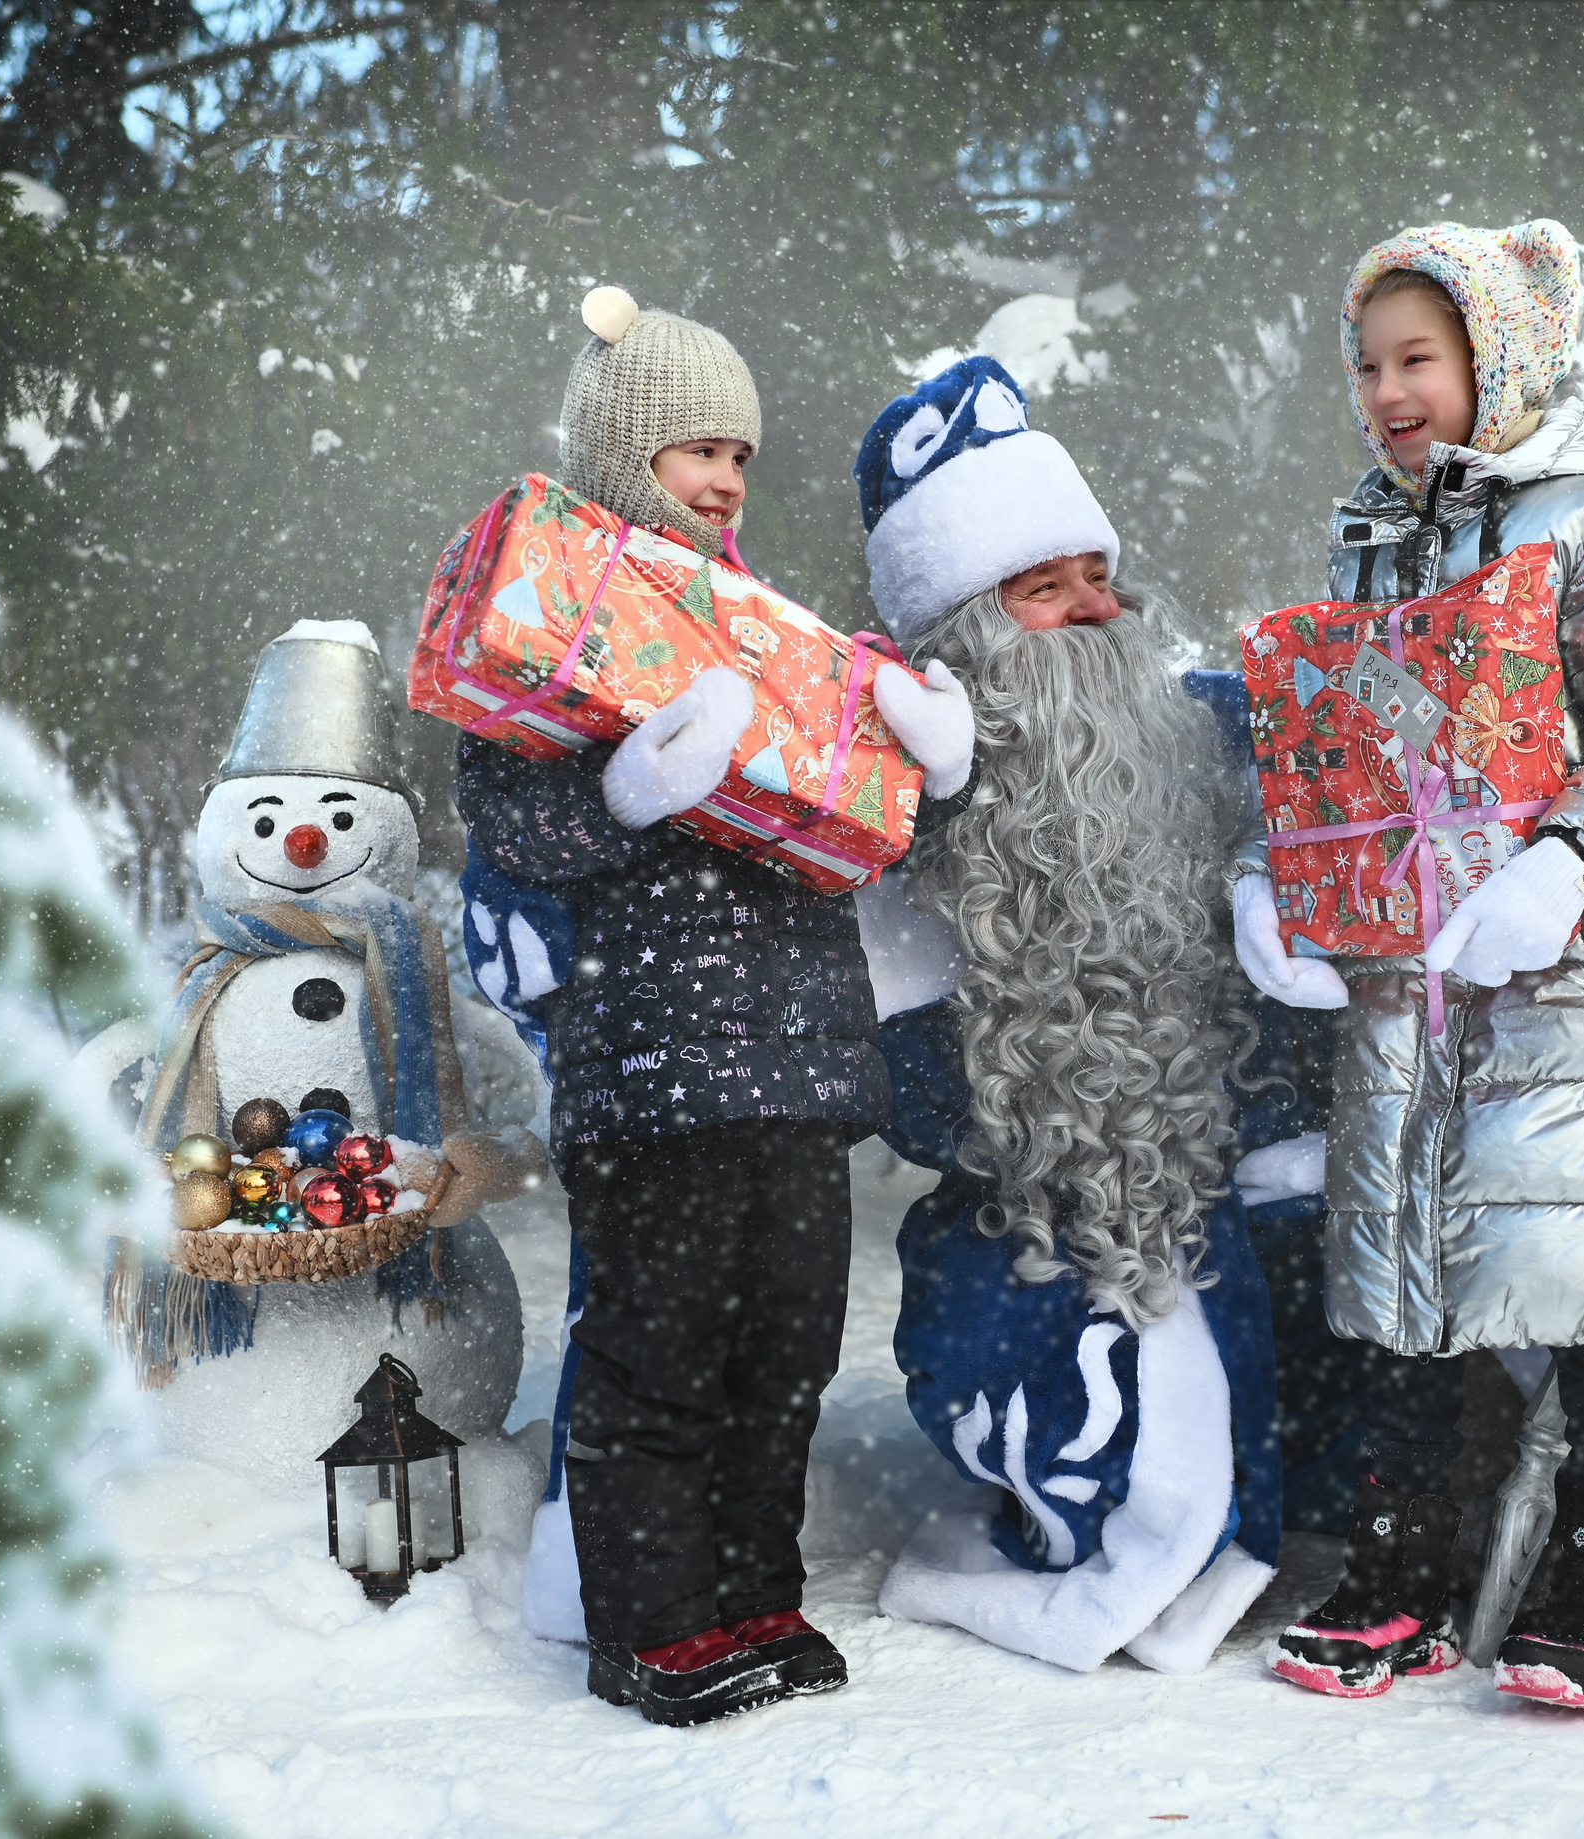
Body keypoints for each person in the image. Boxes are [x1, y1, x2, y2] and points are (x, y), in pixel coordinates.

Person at [451, 287, 973, 1727]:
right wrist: (622, 793)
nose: (726, 481)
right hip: (652, 1072)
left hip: (799, 1065)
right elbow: (505, 815)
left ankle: (752, 1594)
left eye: (738, 455)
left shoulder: (771, 636)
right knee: (657, 1352)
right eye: (694, 451)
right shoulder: (563, 624)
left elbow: (856, 820)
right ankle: (652, 1621)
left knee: (787, 1349)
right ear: (624, 459)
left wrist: (931, 766)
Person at [1237, 221, 1584, 1714]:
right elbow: (1339, 749)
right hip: (1414, 969)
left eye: (1421, 360)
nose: (1389, 391)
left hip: (1576, 967)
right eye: (1370, 364)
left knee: (1582, 1280)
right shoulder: (1366, 533)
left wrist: (1566, 863)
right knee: (1397, 1274)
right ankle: (1396, 1569)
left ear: (1494, 365)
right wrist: (1285, 887)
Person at [849, 356, 1320, 1672]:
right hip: (1032, 1234)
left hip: (1255, 1179)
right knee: (1102, 1372)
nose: (1094, 613)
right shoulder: (888, 823)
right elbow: (914, 1092)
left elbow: (1422, 740)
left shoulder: (1201, 733)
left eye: (1096, 577)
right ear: (961, 642)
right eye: (1044, 589)